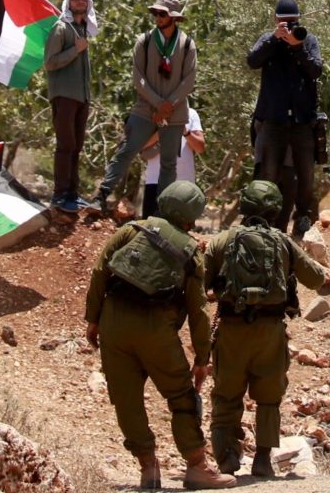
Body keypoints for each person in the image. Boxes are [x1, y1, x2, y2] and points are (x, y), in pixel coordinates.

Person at [82, 180, 236, 490]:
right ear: (191, 218)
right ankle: (197, 467)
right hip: (157, 333)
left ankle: (148, 469)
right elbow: (198, 311)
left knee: (127, 400)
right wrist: (202, 359)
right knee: (180, 397)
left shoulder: (132, 230)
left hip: (114, 323)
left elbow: (100, 271)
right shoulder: (191, 250)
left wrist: (93, 320)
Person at [206, 179, 330, 477]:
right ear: (275, 209)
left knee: (226, 396)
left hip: (232, 330)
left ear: (244, 206)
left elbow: (202, 283)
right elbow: (315, 279)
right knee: (269, 398)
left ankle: (227, 458)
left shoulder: (222, 240)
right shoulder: (282, 241)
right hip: (270, 330)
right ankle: (262, 459)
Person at [95, 0, 197, 217]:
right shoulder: (145, 41)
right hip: (145, 108)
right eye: (155, 14)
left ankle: (163, 212)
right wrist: (159, 103)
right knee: (126, 150)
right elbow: (137, 77)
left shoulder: (188, 44)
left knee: (169, 163)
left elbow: (189, 80)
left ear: (173, 18)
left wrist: (170, 103)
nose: (157, 18)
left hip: (175, 111)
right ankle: (102, 194)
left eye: (162, 14)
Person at [247, 0, 323, 237]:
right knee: (267, 171)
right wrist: (274, 38)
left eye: (293, 21)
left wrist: (297, 47)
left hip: (302, 120)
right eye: (284, 22)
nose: (289, 26)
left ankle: (302, 217)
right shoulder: (269, 40)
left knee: (306, 174)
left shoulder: (308, 40)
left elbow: (316, 70)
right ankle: (260, 219)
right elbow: (252, 60)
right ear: (276, 19)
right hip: (273, 119)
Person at [44, 0, 98, 211]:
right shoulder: (60, 29)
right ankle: (59, 195)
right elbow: (49, 62)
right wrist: (75, 50)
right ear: (68, 3)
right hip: (64, 95)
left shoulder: (83, 30)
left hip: (81, 97)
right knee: (66, 145)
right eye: (76, 1)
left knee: (77, 145)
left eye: (84, 1)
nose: (80, 4)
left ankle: (73, 194)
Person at [141, 104, 204, 221]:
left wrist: (186, 132)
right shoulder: (152, 114)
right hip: (155, 181)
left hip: (184, 184)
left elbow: (200, 147)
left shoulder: (191, 114)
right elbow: (140, 144)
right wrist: (163, 131)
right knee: (150, 225)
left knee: (181, 226)